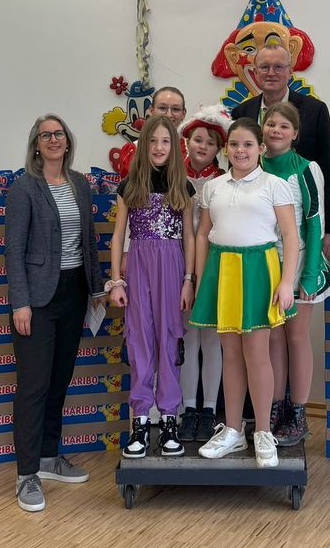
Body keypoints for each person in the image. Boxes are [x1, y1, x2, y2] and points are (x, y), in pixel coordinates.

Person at [5, 114, 105, 513]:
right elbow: (13, 250)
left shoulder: (80, 184)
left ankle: (49, 458)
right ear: (35, 144)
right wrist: (20, 302)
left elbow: (89, 240)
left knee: (60, 380)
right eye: (45, 135)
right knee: (33, 386)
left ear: (68, 141)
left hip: (73, 292)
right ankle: (26, 474)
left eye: (58, 134)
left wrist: (96, 288)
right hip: (37, 299)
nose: (52, 140)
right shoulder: (24, 188)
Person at [190, 119, 298, 468]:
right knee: (229, 353)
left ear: (261, 149)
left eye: (248, 145)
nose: (240, 150)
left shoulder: (275, 186)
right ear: (227, 149)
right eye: (234, 144)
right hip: (222, 271)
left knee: (257, 352)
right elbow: (204, 235)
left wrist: (286, 283)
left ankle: (263, 431)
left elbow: (291, 238)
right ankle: (233, 430)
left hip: (259, 269)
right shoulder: (213, 188)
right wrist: (201, 279)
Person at [108, 116, 195, 459]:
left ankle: (170, 420)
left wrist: (189, 280)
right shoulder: (129, 187)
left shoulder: (183, 187)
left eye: (166, 141)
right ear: (143, 145)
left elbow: (189, 236)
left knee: (169, 339)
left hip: (172, 266)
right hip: (140, 266)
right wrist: (116, 280)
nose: (159, 147)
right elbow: (118, 237)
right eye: (153, 141)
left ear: (174, 147)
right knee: (140, 340)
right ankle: (141, 421)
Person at [260, 101, 330, 447]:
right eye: (270, 124)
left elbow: (313, 222)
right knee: (272, 339)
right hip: (261, 264)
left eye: (283, 126)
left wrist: (307, 277)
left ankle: (297, 410)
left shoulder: (307, 169)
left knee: (296, 337)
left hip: (299, 264)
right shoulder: (253, 163)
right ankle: (274, 407)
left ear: (295, 134)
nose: (275, 130)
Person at [229, 46, 330, 257]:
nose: (271, 73)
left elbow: (327, 167)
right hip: (254, 222)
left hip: (301, 223)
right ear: (254, 72)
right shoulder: (242, 112)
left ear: (290, 71)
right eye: (264, 67)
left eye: (278, 67)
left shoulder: (315, 110)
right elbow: (235, 167)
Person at [176, 104, 233, 442]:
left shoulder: (224, 182)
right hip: (181, 267)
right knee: (187, 336)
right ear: (187, 141)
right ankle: (187, 408)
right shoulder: (173, 178)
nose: (203, 147)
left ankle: (209, 408)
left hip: (215, 267)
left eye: (210, 143)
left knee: (212, 339)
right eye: (198, 140)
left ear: (218, 149)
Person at [110, 86, 187, 175]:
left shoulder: (191, 150)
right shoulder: (134, 150)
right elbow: (129, 187)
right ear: (151, 110)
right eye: (162, 108)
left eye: (176, 109)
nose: (169, 114)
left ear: (183, 113)